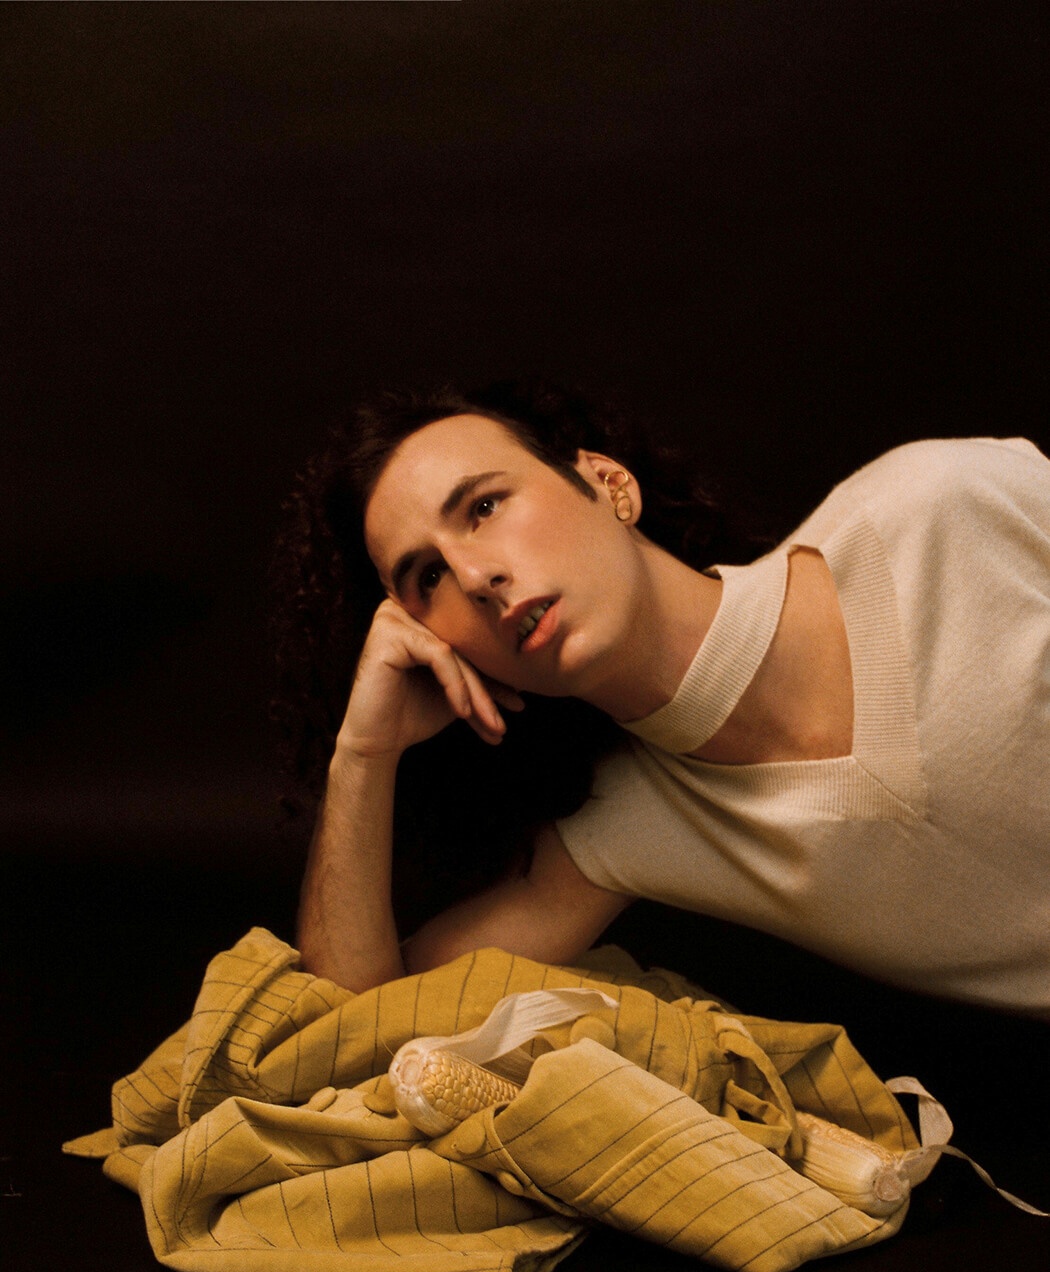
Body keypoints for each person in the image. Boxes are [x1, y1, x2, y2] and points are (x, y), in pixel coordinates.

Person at [272, 381, 1050, 1012]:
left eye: (484, 506)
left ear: (608, 483)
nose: (475, 577)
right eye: (428, 577)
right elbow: (357, 1022)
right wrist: (363, 754)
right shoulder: (626, 827)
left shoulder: (945, 510)